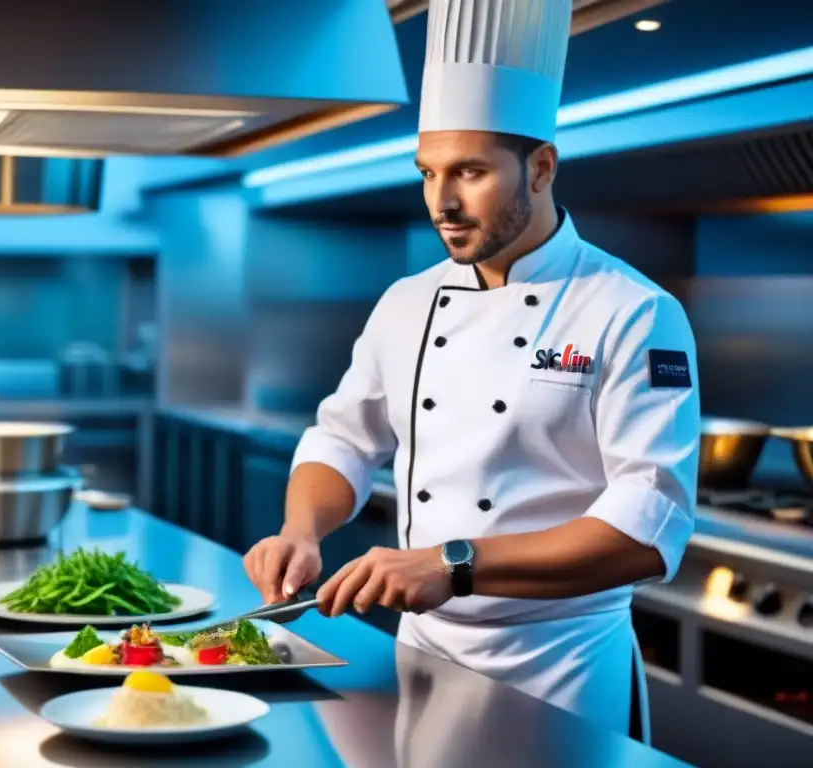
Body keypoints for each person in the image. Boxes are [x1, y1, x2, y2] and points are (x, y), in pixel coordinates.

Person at [243, 0, 699, 736]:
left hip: (562, 669)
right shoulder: (407, 302)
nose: (442, 203)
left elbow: (648, 529)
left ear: (542, 168)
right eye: (428, 174)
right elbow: (345, 440)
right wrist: (302, 529)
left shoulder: (634, 311)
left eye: (471, 172)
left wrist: (453, 564)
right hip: (425, 656)